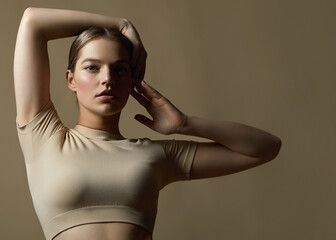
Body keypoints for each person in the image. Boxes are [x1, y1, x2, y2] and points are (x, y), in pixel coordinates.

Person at [14, 7, 281, 240]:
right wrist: (120, 25)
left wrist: (185, 124)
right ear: (71, 79)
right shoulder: (44, 137)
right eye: (92, 67)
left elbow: (265, 147)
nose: (107, 79)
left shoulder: (156, 156)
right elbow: (32, 21)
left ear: (132, 80)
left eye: (120, 69)